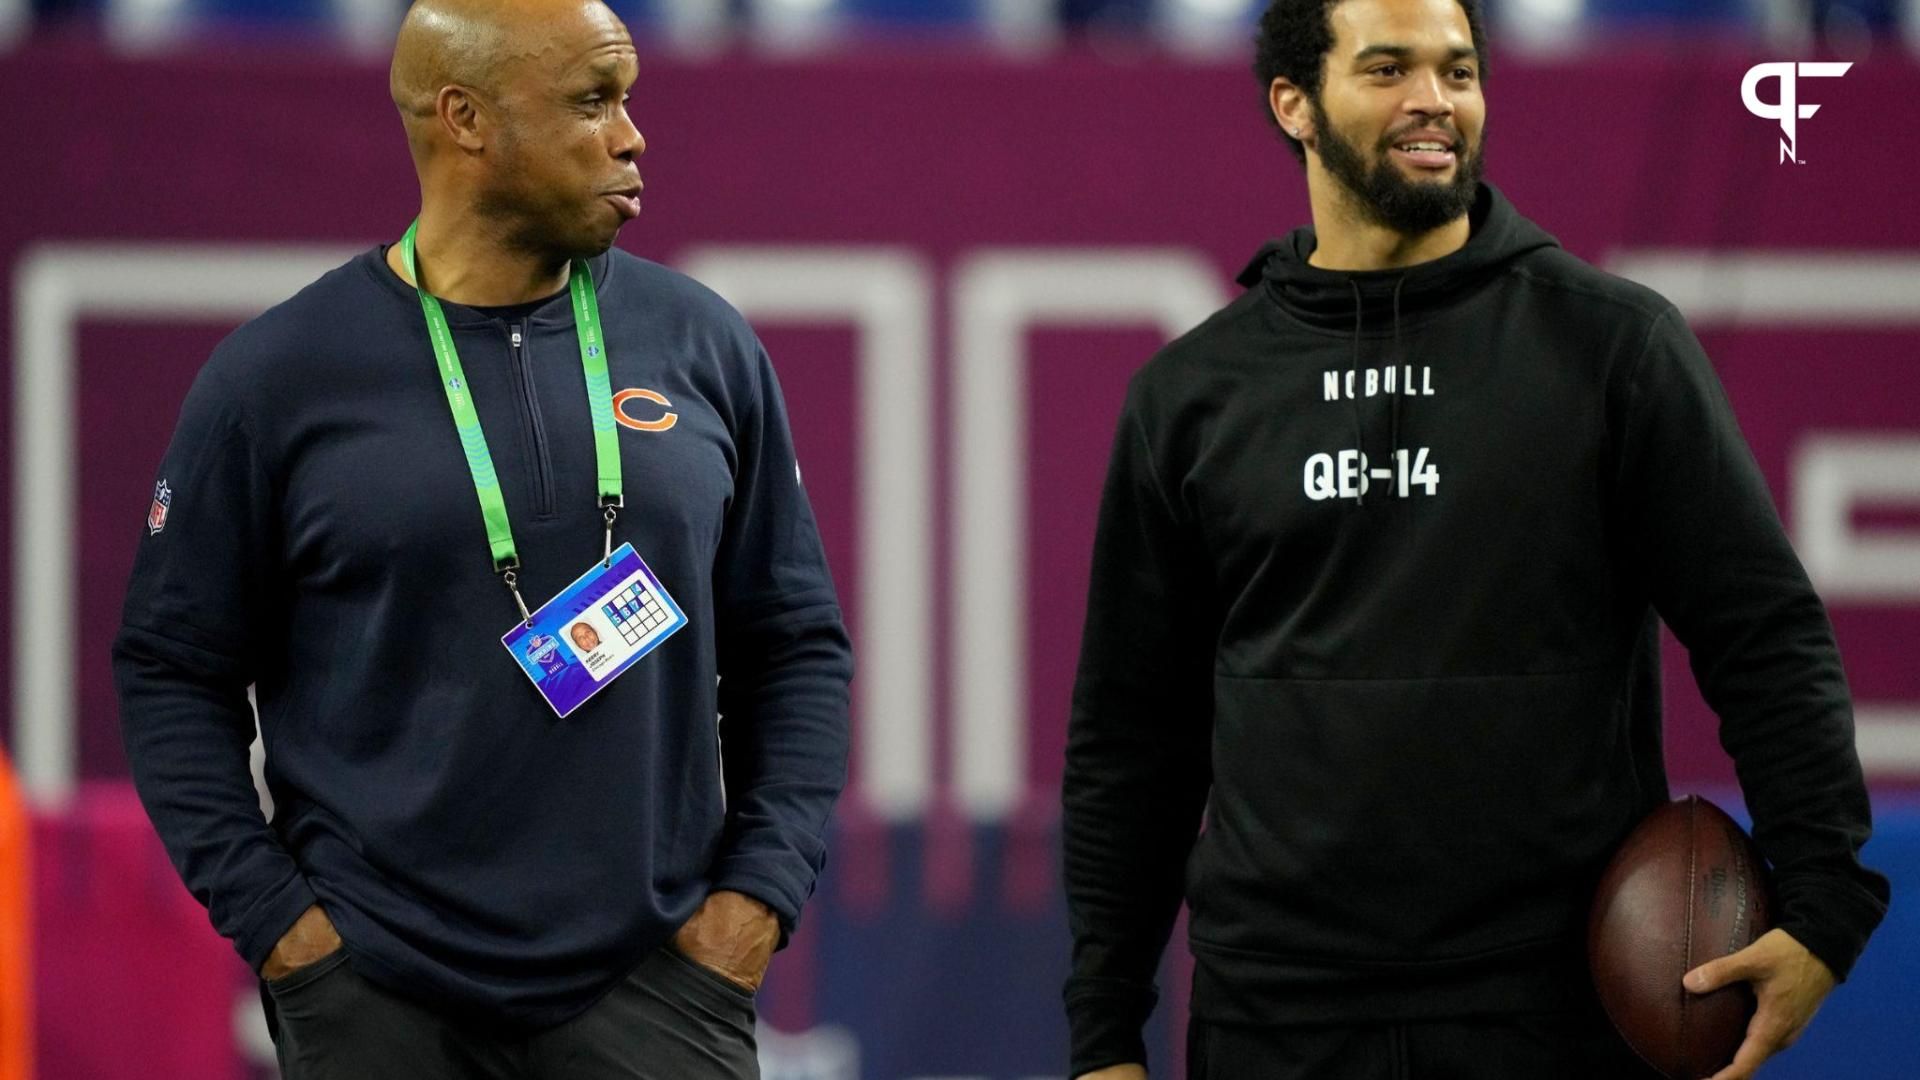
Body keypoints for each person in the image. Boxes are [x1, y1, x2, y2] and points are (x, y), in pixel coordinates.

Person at [1059, 1, 1888, 1078]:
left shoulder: (1612, 349)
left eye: (1458, 71)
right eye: (1389, 68)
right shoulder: (1190, 396)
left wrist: (1827, 903)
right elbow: (1132, 743)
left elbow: (1763, 634)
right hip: (1278, 1019)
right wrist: (1102, 1034)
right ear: (1294, 103)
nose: (1434, 102)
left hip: (1554, 1016)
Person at [112, 1, 852, 1077]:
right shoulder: (276, 378)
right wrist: (284, 930)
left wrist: (754, 905)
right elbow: (171, 665)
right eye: (594, 101)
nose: (634, 135)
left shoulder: (703, 347)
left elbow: (796, 646)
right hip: (380, 996)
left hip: (658, 988)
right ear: (465, 119)